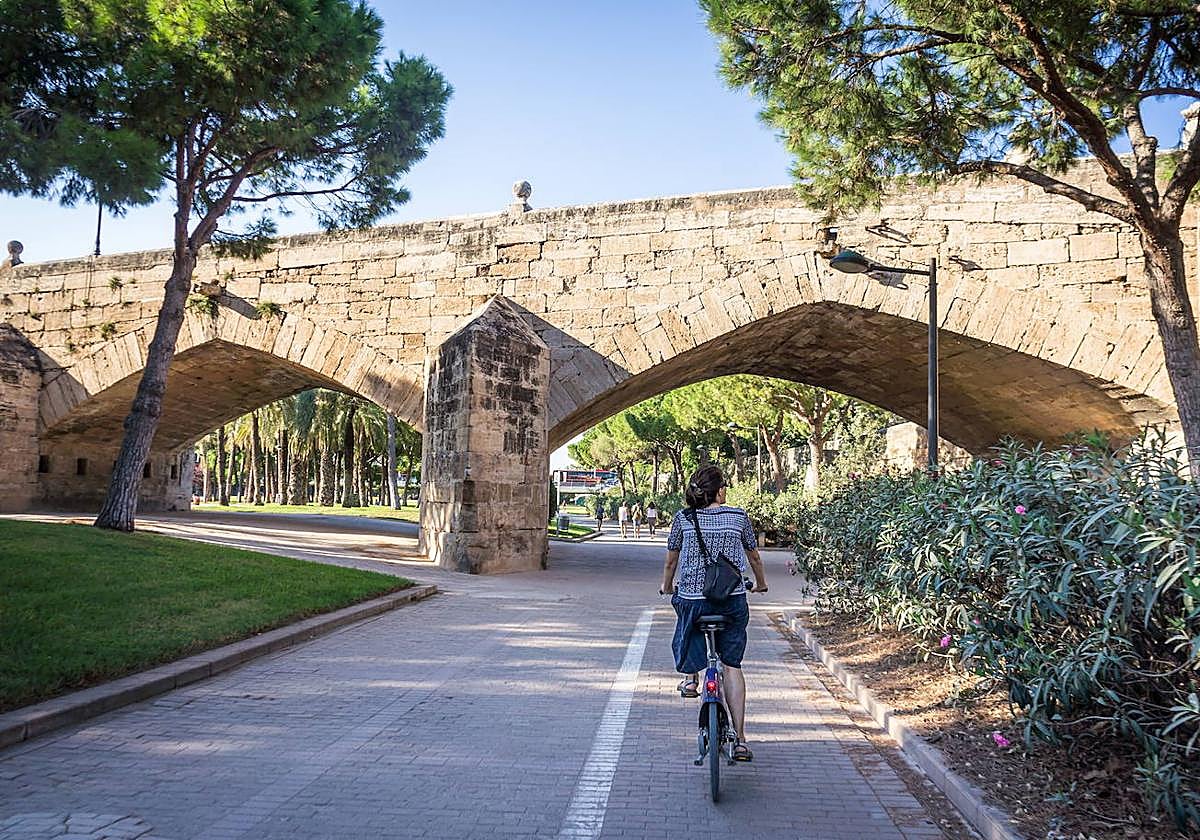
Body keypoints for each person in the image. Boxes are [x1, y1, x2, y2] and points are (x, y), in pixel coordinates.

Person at [660, 464, 767, 762]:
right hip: (731, 600)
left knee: (687, 620)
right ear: (720, 491)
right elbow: (754, 556)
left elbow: (671, 563)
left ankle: (692, 679)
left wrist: (667, 587)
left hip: (694, 599)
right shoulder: (738, 516)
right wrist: (761, 584)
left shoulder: (683, 518)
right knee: (731, 665)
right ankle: (741, 740)